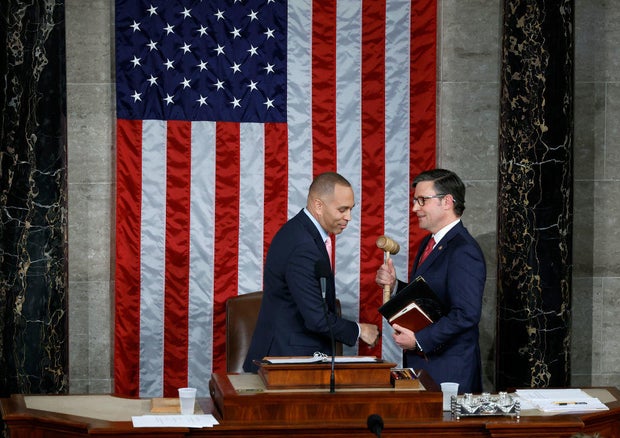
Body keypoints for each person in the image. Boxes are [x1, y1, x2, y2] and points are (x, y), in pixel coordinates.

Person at [243, 172, 380, 372]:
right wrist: (360, 330)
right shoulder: (303, 245)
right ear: (318, 205)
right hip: (285, 363)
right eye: (342, 209)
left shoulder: (301, 232)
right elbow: (316, 318)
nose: (348, 217)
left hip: (291, 356)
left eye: (351, 209)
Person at [376, 168, 486, 393]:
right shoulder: (429, 243)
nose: (415, 208)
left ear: (447, 201)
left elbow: (466, 313)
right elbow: (432, 298)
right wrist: (396, 284)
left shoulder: (464, 250)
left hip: (448, 372)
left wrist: (419, 340)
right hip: (428, 368)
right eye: (415, 200)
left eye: (422, 200)